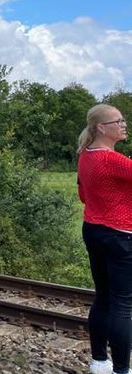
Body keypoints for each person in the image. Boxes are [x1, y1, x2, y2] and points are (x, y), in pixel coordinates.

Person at [78, 104, 132, 374]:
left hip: (94, 229)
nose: (124, 124)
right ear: (101, 127)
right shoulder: (113, 160)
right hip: (121, 234)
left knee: (103, 298)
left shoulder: (86, 156)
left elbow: (83, 196)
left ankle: (99, 362)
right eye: (118, 121)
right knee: (123, 304)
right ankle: (122, 369)